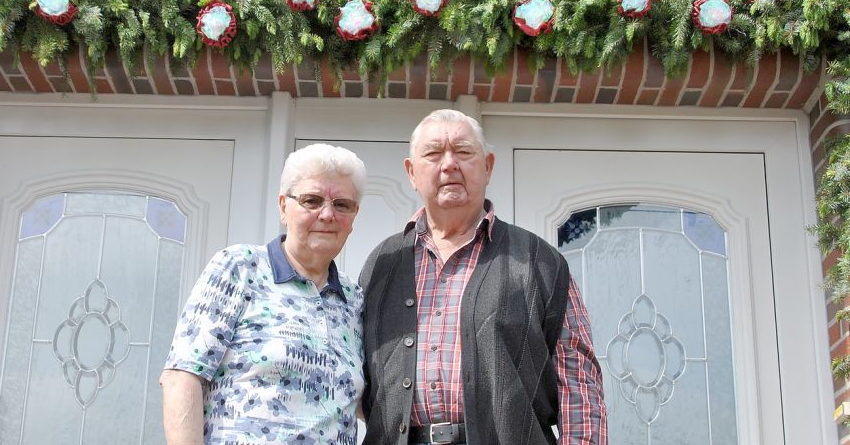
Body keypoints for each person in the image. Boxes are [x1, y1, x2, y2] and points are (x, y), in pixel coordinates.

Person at [360, 109, 607, 445]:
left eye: (463, 152)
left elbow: (579, 386)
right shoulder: (381, 264)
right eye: (433, 153)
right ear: (411, 172)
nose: (449, 164)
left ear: (488, 166)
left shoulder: (540, 262)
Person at [160, 143, 367, 445]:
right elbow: (182, 376)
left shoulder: (354, 298)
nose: (327, 214)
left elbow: (368, 402)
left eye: (342, 205)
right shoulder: (240, 267)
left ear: (354, 215)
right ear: (283, 207)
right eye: (311, 200)